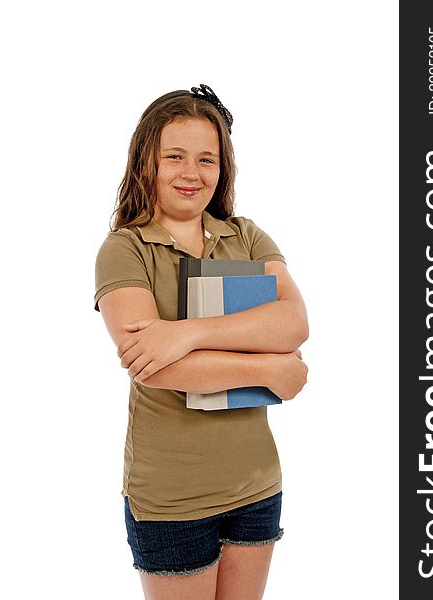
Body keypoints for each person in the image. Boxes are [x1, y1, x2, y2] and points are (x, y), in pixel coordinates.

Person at [93, 84, 309, 600]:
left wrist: (186, 332)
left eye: (206, 159)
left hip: (256, 484)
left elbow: (293, 321)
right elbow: (153, 366)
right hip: (172, 498)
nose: (192, 173)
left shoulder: (248, 236)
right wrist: (266, 368)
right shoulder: (123, 250)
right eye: (175, 156)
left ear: (222, 167)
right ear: (146, 161)